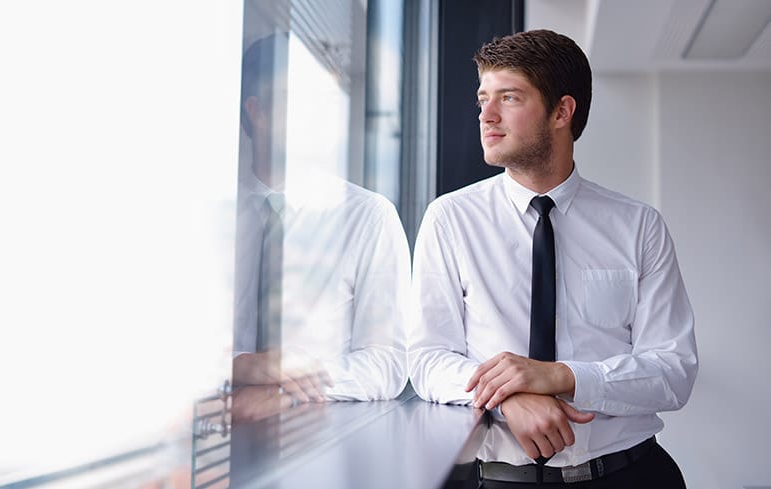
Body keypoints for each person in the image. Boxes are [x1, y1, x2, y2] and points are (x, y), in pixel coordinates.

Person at [409, 29, 697, 488]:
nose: (486, 115)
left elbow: (672, 371)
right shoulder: (450, 219)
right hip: (498, 480)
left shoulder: (639, 226)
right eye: (483, 98)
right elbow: (426, 358)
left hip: (630, 475)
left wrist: (560, 377)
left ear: (562, 111)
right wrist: (509, 397)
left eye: (509, 97)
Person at [230, 34, 410, 414]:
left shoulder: (368, 216)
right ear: (256, 111)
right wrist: (241, 366)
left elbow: (389, 363)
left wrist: (286, 390)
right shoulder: (212, 219)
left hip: (323, 442)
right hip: (206, 438)